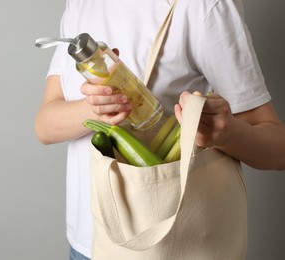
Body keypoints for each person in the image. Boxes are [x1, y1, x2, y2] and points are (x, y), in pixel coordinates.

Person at [34, 0, 285, 259]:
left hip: (170, 247)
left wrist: (228, 134)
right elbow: (44, 127)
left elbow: (278, 150)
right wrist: (96, 108)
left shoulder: (204, 6)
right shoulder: (81, 4)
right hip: (87, 245)